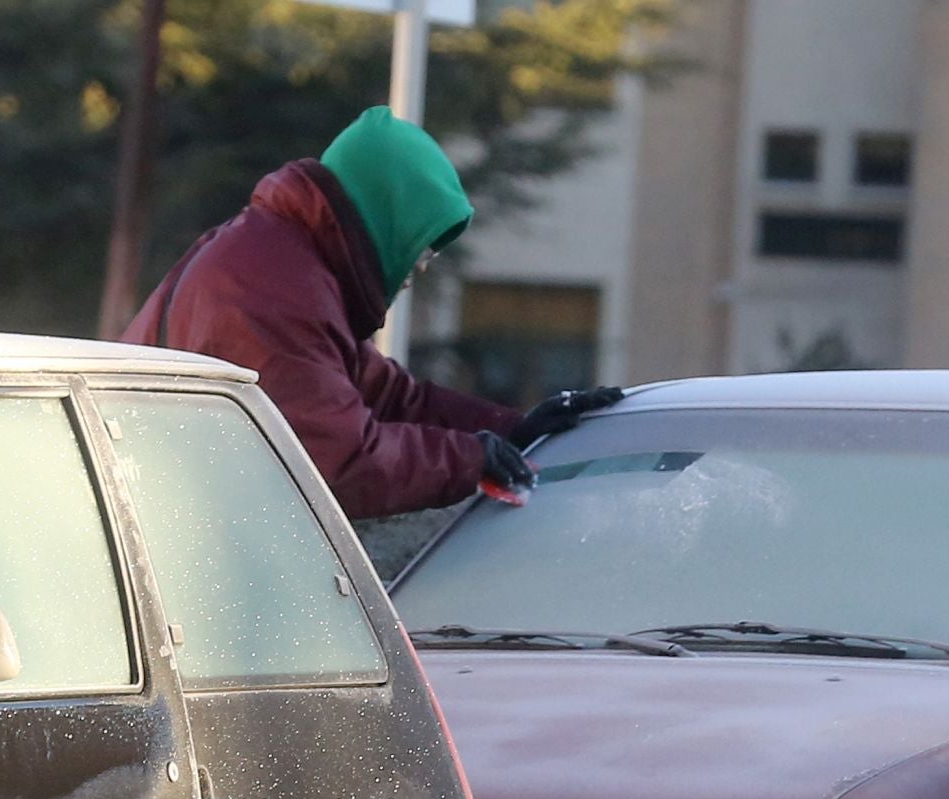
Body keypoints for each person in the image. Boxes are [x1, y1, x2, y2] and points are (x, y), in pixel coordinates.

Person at [121, 106, 623, 520]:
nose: (421, 266)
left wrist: (513, 430)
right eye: (420, 244)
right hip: (170, 544)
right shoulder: (274, 289)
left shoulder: (284, 261)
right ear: (382, 218)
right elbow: (341, 464)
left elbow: (384, 396)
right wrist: (474, 458)